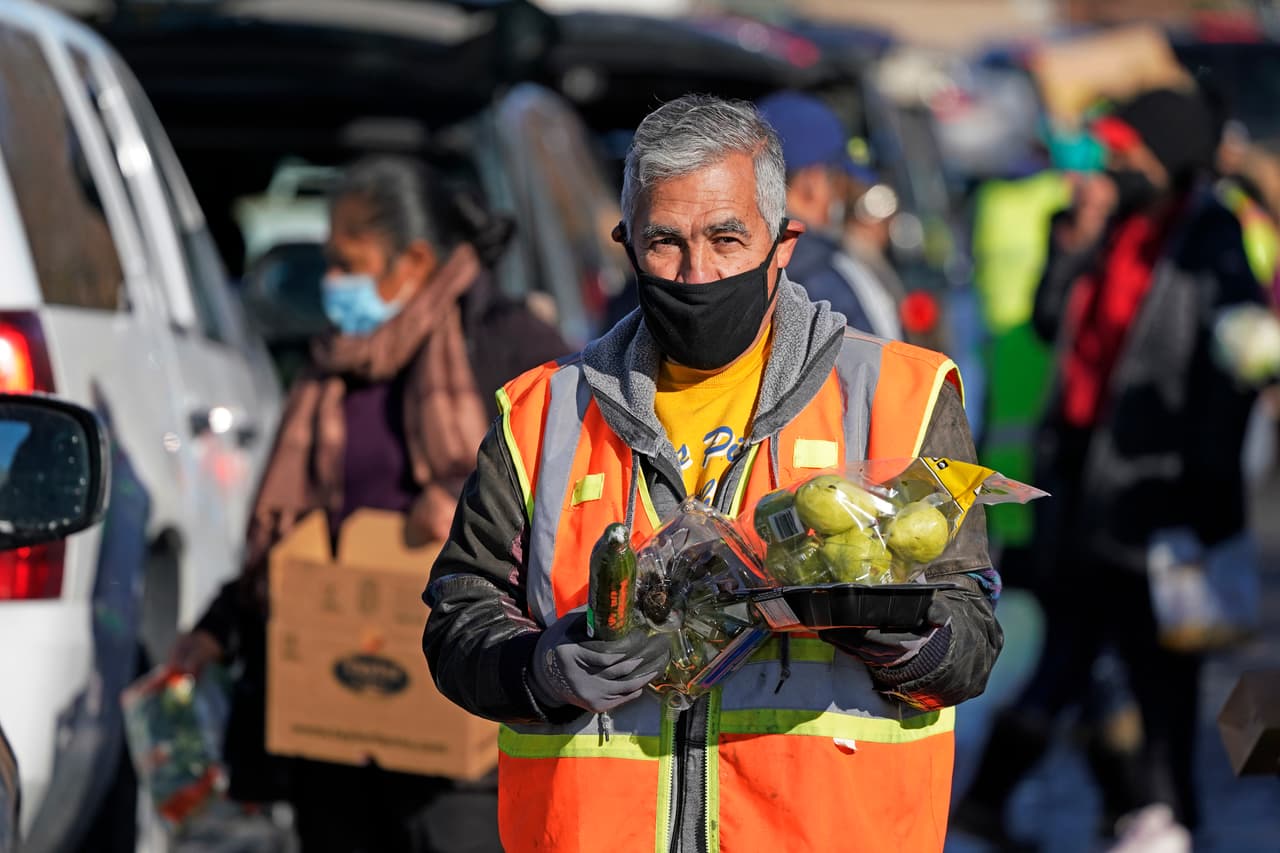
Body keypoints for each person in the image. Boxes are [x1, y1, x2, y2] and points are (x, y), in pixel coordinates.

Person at [422, 94, 1002, 852]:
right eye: (665, 242)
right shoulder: (542, 412)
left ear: (784, 241)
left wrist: (904, 637)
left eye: (727, 238)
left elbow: (972, 635)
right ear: (625, 244)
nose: (697, 272)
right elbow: (459, 615)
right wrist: (537, 670)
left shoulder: (899, 396)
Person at [168, 156, 568, 852]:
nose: (331, 282)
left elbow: (576, 498)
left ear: (414, 262)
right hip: (335, 730)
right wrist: (217, 628)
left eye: (347, 263)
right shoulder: (332, 365)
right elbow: (293, 533)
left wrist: (471, 507)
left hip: (457, 742)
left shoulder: (509, 345)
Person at [954, 87, 1263, 842]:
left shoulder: (1208, 235)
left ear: (1168, 157)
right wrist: (1073, 239)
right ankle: (1144, 810)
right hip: (1082, 485)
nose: (1112, 167)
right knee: (1088, 652)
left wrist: (1200, 497)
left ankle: (1164, 807)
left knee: (1151, 664)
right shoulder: (1108, 224)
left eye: (1128, 154)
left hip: (1159, 494)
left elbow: (1232, 367)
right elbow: (1050, 321)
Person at [756, 90, 902, 339]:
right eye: (836, 182)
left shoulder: (747, 268)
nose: (840, 197)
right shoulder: (820, 277)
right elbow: (874, 358)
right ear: (811, 183)